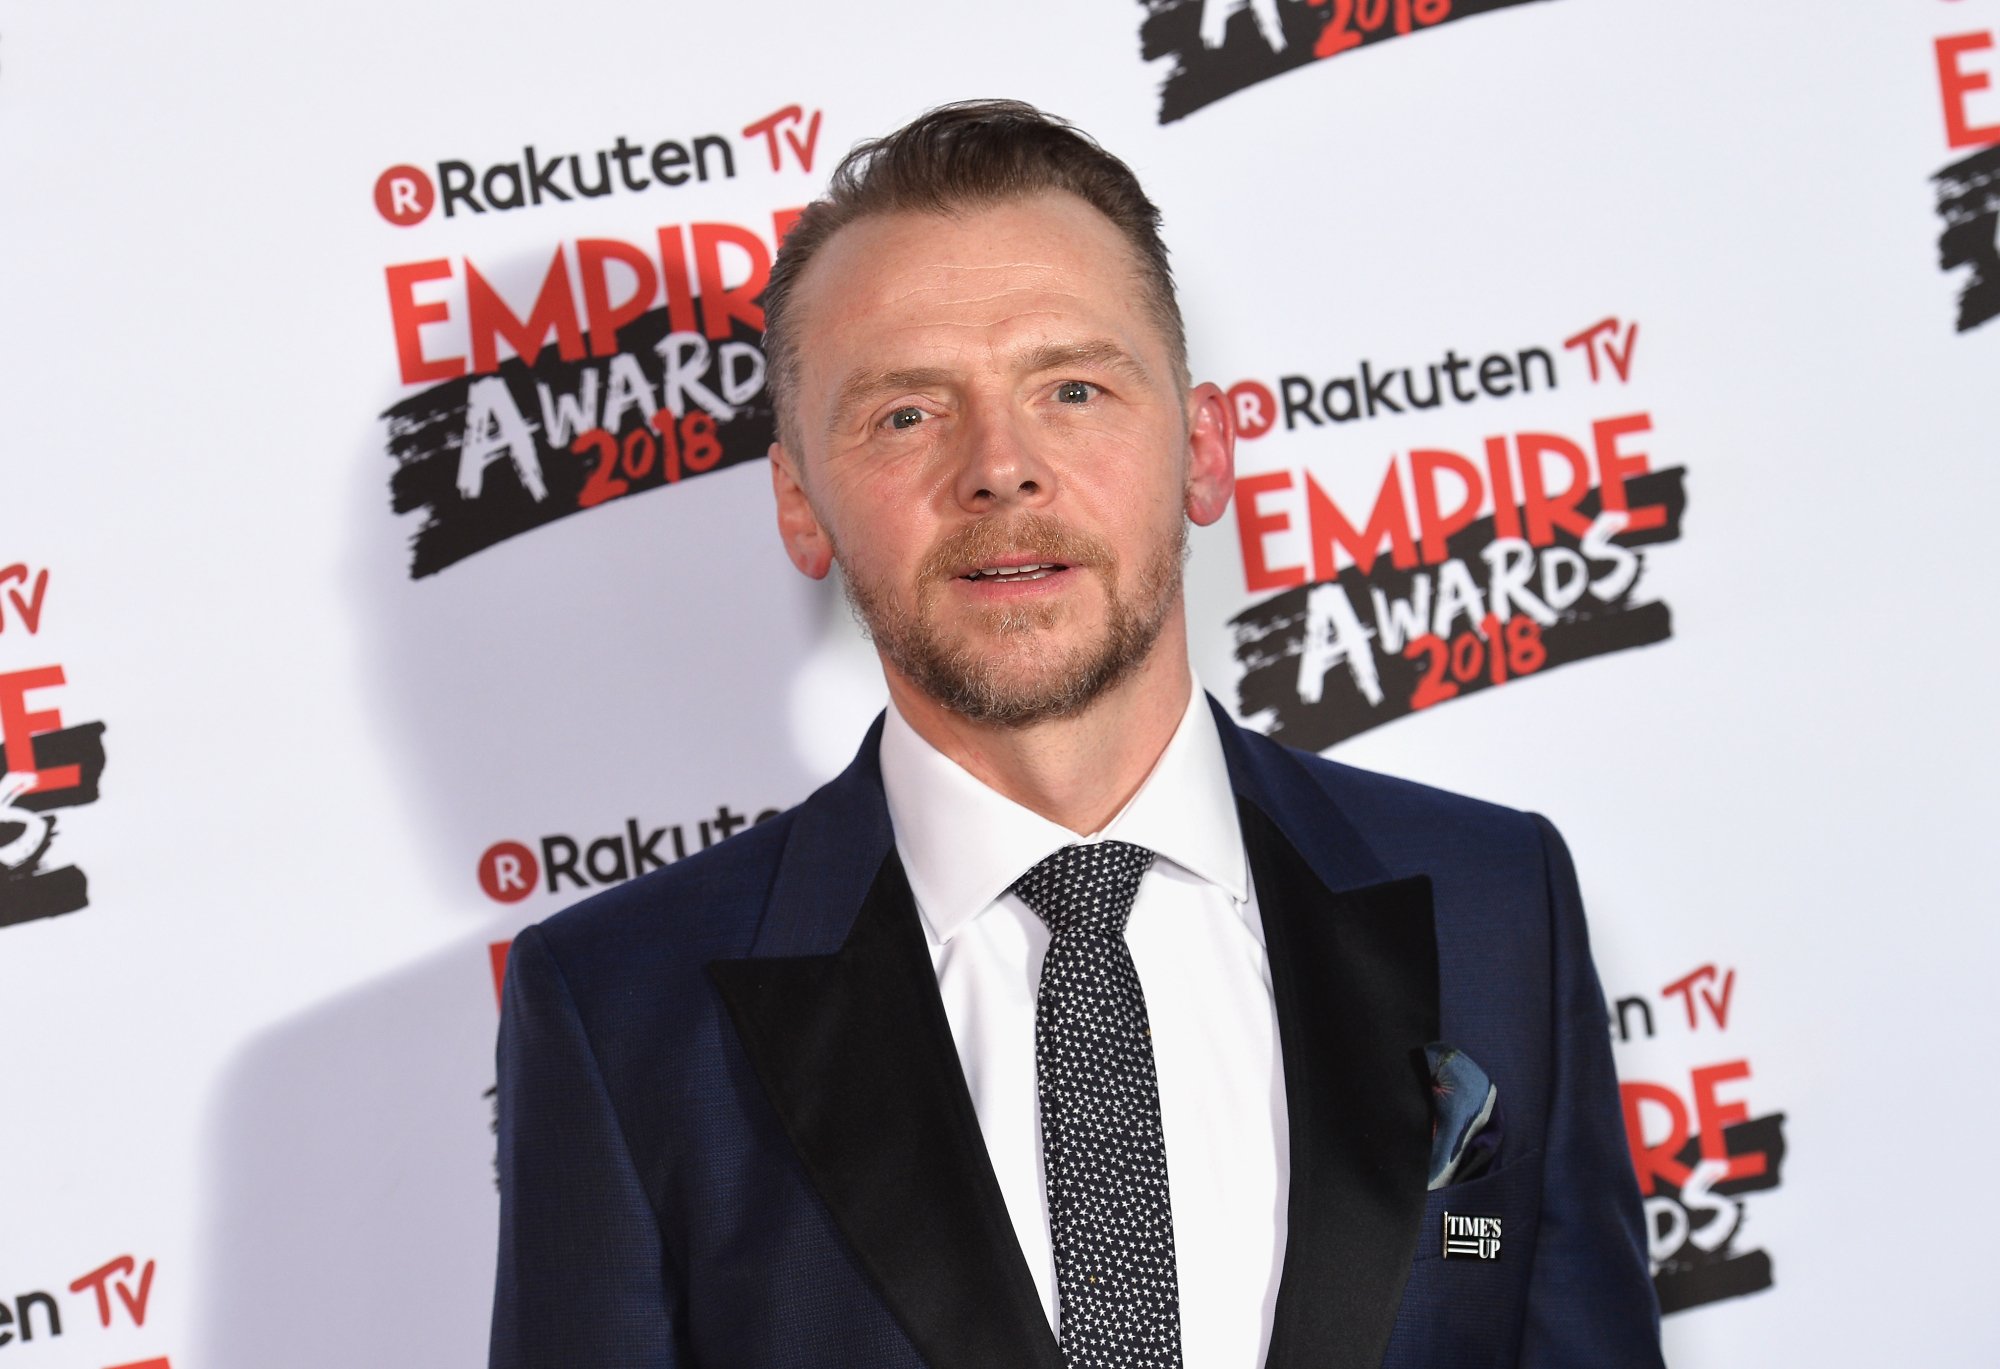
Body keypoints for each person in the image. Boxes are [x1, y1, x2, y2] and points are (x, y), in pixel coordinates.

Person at [490, 100, 1663, 1369]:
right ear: (799, 503)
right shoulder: (620, 1008)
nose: (1002, 467)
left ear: (1202, 451)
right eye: (904, 413)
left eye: (1072, 387)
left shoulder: (1494, 902)